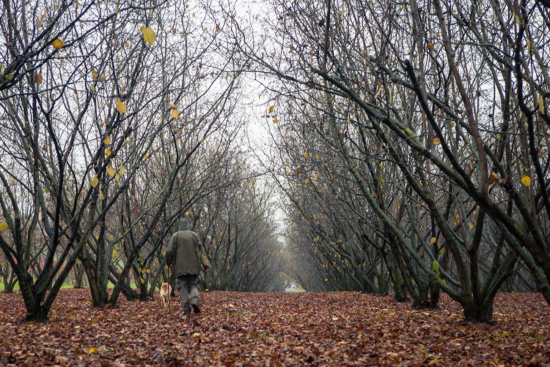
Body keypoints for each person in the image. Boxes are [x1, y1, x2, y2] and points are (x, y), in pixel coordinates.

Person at [165, 218, 210, 315]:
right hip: (193, 266)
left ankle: (186, 307)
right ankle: (194, 301)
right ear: (188, 225)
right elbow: (201, 251)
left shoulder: (175, 236)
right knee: (193, 285)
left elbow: (169, 251)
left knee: (182, 287)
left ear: (179, 226)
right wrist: (205, 264)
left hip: (180, 267)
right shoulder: (194, 235)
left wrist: (168, 262)